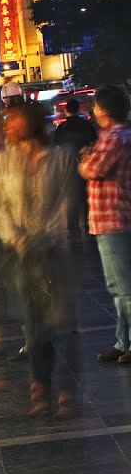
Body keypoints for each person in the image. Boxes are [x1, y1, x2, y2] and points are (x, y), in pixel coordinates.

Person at [0, 102, 79, 419]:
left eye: (13, 120)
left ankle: (67, 388)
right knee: (34, 320)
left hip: (54, 249)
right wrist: (14, 237)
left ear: (32, 122)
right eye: (7, 121)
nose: (8, 126)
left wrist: (50, 237)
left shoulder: (60, 157)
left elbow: (66, 203)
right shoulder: (2, 161)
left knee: (62, 321)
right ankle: (39, 385)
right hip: (20, 252)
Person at [80, 86, 131, 365]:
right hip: (109, 220)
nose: (93, 110)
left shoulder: (115, 137)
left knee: (124, 288)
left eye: (96, 105)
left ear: (104, 109)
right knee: (117, 288)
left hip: (114, 219)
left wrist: (85, 160)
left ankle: (127, 342)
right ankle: (123, 341)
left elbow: (93, 169)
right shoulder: (115, 136)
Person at [57, 100, 99, 243]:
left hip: (68, 167)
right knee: (86, 196)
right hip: (86, 164)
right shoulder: (86, 125)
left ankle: (72, 229)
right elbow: (94, 143)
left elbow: (56, 147)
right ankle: (88, 225)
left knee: (71, 197)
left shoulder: (62, 128)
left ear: (66, 110)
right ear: (78, 109)